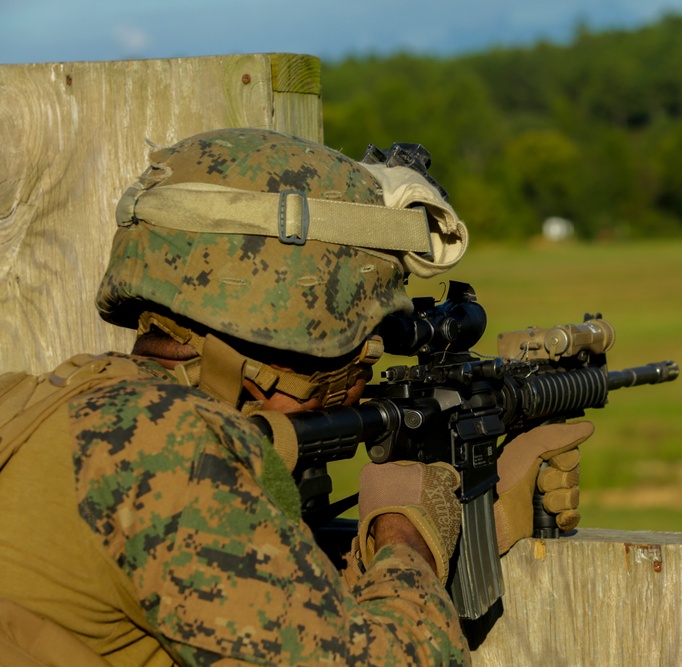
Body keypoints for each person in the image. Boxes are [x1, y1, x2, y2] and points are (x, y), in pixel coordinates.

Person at [0, 128, 590, 666]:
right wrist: (409, 539)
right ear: (295, 336)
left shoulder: (57, 401)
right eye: (367, 350)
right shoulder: (166, 446)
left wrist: (490, 509)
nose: (363, 378)